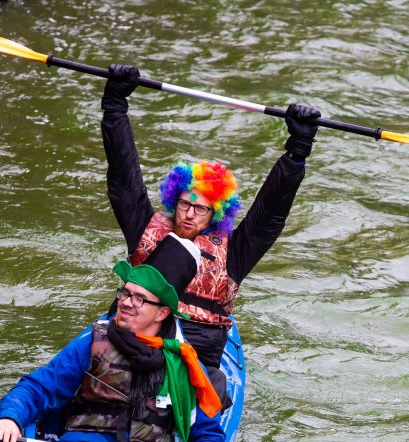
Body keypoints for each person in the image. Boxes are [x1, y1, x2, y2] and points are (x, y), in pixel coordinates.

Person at [100, 64, 321, 370]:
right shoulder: (146, 228)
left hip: (196, 349)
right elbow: (123, 179)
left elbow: (270, 214)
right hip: (134, 333)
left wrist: (297, 152)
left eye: (200, 208)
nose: (189, 214)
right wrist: (115, 107)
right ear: (173, 201)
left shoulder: (234, 251)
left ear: (216, 213)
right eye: (184, 205)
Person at [0, 234, 225, 442]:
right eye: (125, 293)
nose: (126, 303)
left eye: (139, 299)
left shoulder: (184, 364)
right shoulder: (92, 343)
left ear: (162, 313)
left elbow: (209, 435)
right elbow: (38, 388)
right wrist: (9, 417)